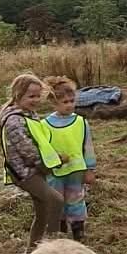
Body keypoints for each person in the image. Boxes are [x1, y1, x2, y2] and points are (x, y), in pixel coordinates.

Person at [0, 73, 66, 249]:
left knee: (42, 213)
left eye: (38, 96)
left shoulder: (29, 114)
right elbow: (28, 151)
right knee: (56, 200)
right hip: (25, 173)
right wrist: (49, 164)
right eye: (31, 96)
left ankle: (32, 251)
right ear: (18, 95)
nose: (36, 100)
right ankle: (53, 245)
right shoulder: (14, 121)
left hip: (34, 170)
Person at [42, 76, 97, 243]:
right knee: (56, 202)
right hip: (55, 172)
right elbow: (43, 149)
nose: (69, 105)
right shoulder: (45, 125)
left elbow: (87, 146)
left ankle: (78, 232)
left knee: (76, 200)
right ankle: (60, 233)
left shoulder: (81, 122)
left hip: (76, 171)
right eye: (65, 102)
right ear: (54, 103)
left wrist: (90, 169)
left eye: (72, 101)